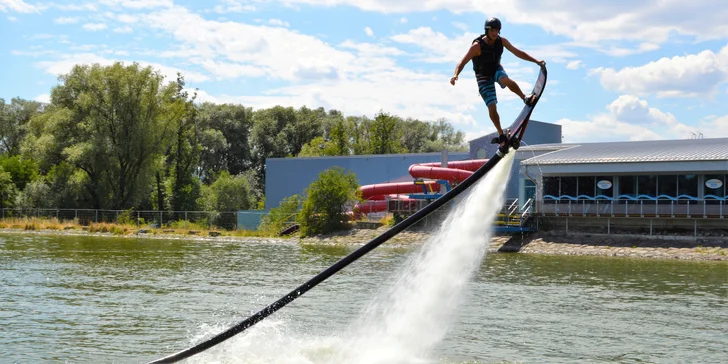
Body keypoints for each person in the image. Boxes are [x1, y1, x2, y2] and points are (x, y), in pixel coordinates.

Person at [450, 17, 546, 145]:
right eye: (492, 31)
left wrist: (536, 61)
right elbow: (462, 62)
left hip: (495, 69)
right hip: (483, 77)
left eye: (497, 30)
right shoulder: (477, 46)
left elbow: (518, 52)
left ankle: (524, 97)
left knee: (505, 80)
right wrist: (455, 75)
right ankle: (501, 134)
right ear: (487, 31)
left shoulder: (502, 41)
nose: (495, 33)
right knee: (492, 108)